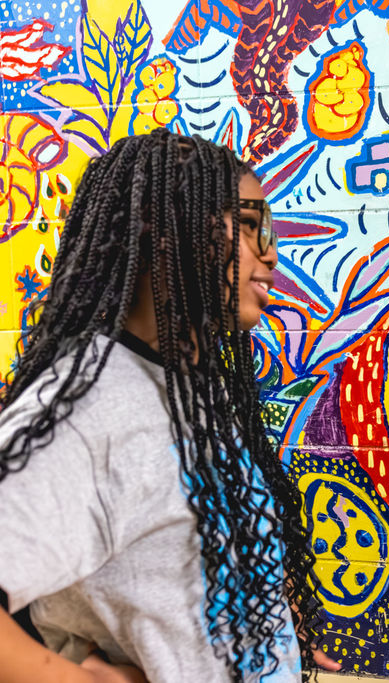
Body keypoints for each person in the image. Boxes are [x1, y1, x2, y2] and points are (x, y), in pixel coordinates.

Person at [0, 130, 339, 682]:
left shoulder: (183, 389)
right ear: (168, 229)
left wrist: (264, 638)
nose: (272, 254)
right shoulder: (92, 410)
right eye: (249, 225)